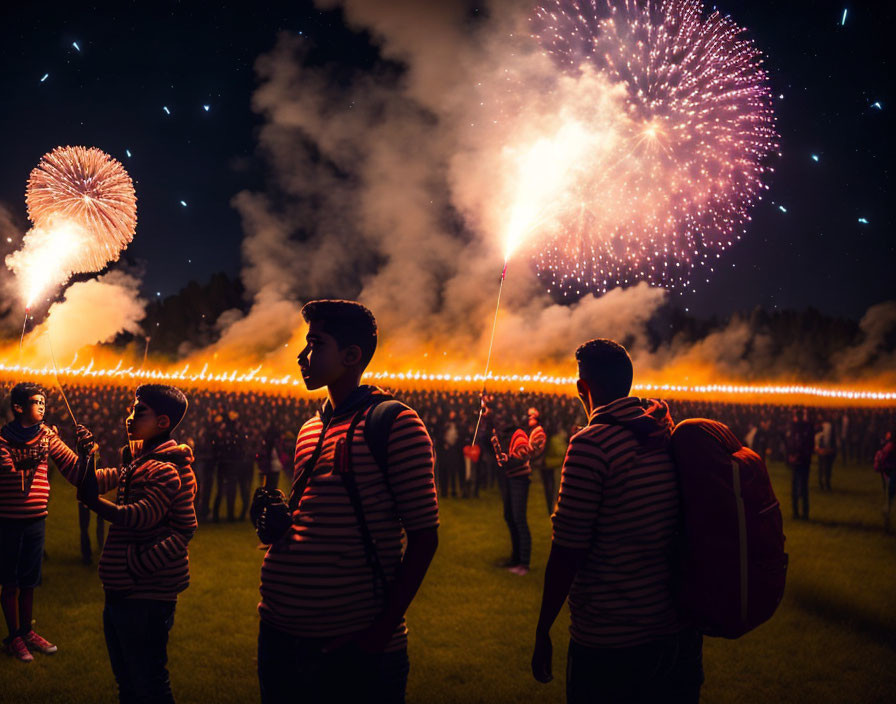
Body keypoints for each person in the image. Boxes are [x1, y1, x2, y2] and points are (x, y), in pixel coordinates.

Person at [252, 300, 439, 704]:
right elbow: (316, 517)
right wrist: (277, 525)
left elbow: (425, 538)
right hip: (280, 634)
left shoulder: (395, 423)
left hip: (349, 645)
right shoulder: (310, 427)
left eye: (315, 344)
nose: (302, 355)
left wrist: (377, 635)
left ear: (351, 355)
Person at [531, 339, 703, 703]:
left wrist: (543, 628)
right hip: (674, 630)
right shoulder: (663, 431)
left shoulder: (591, 445)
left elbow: (566, 552)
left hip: (612, 640)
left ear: (583, 387)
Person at [76, 384, 197, 704]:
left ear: (163, 422)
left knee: (149, 684)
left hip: (145, 593)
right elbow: (87, 480)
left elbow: (145, 518)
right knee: (128, 684)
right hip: (122, 587)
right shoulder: (140, 460)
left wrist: (137, 565)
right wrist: (79, 453)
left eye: (138, 411)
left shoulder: (168, 467)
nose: (129, 417)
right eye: (131, 410)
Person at [0, 382, 84, 662]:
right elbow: (10, 474)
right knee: (10, 582)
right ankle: (13, 637)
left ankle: (26, 631)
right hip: (9, 521)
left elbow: (73, 468)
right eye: (37, 402)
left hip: (37, 520)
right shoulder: (3, 439)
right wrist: (37, 455)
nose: (43, 407)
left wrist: (86, 453)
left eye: (44, 403)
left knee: (29, 581)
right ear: (18, 407)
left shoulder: (48, 437)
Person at [493, 419, 532, 576]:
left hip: (519, 480)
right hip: (511, 479)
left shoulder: (519, 435)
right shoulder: (506, 436)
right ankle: (515, 558)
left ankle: (524, 563)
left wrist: (507, 459)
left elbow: (521, 458)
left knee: (519, 520)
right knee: (509, 517)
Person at [786, 408, 815, 520]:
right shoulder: (794, 428)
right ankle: (797, 512)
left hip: (802, 461)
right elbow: (790, 443)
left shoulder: (805, 428)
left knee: (802, 487)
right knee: (797, 487)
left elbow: (807, 445)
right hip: (798, 461)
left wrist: (797, 455)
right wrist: (790, 456)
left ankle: (803, 512)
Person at [527, 408, 551, 515]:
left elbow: (538, 449)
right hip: (536, 461)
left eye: (531, 418)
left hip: (538, 463)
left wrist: (532, 456)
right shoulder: (534, 430)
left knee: (538, 488)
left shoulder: (538, 431)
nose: (529, 420)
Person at [814, 417, 836, 491]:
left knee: (823, 468)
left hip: (824, 451)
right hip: (826, 451)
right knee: (826, 469)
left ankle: (823, 483)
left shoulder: (823, 427)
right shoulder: (830, 427)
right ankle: (825, 483)